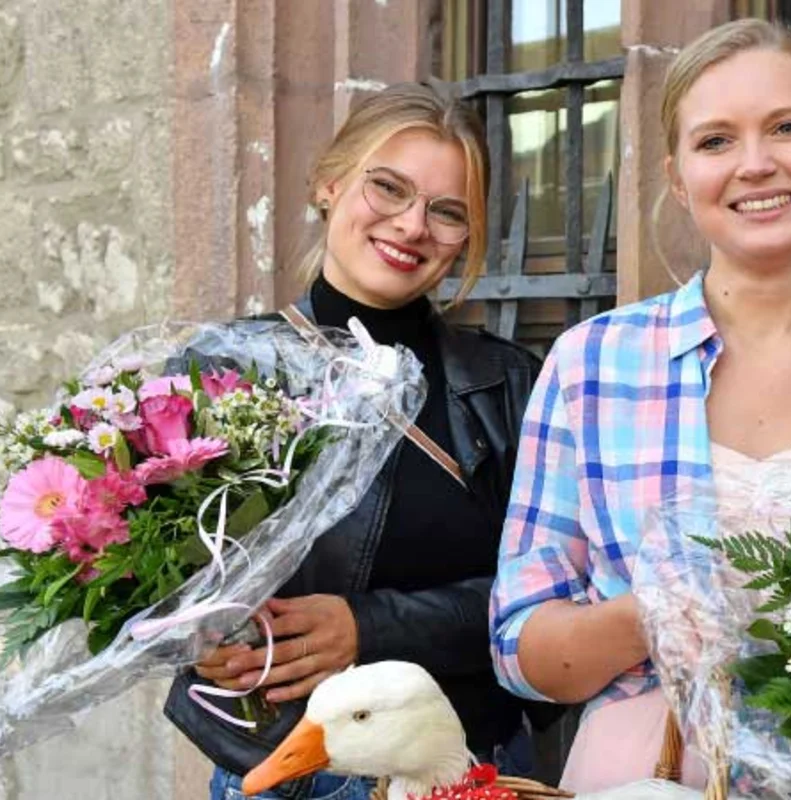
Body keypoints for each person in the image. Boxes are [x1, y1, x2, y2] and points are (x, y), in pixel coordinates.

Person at [489, 19, 791, 793]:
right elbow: (517, 647)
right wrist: (654, 618)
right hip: (645, 777)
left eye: (787, 128)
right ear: (679, 178)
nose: (756, 165)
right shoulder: (591, 366)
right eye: (716, 141)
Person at [164, 82, 543, 800]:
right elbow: (150, 575)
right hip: (277, 774)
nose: (411, 225)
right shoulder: (220, 370)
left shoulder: (506, 386)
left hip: (466, 775)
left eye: (447, 211)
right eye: (389, 188)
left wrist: (369, 629)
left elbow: (551, 600)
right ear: (329, 184)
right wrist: (195, 641)